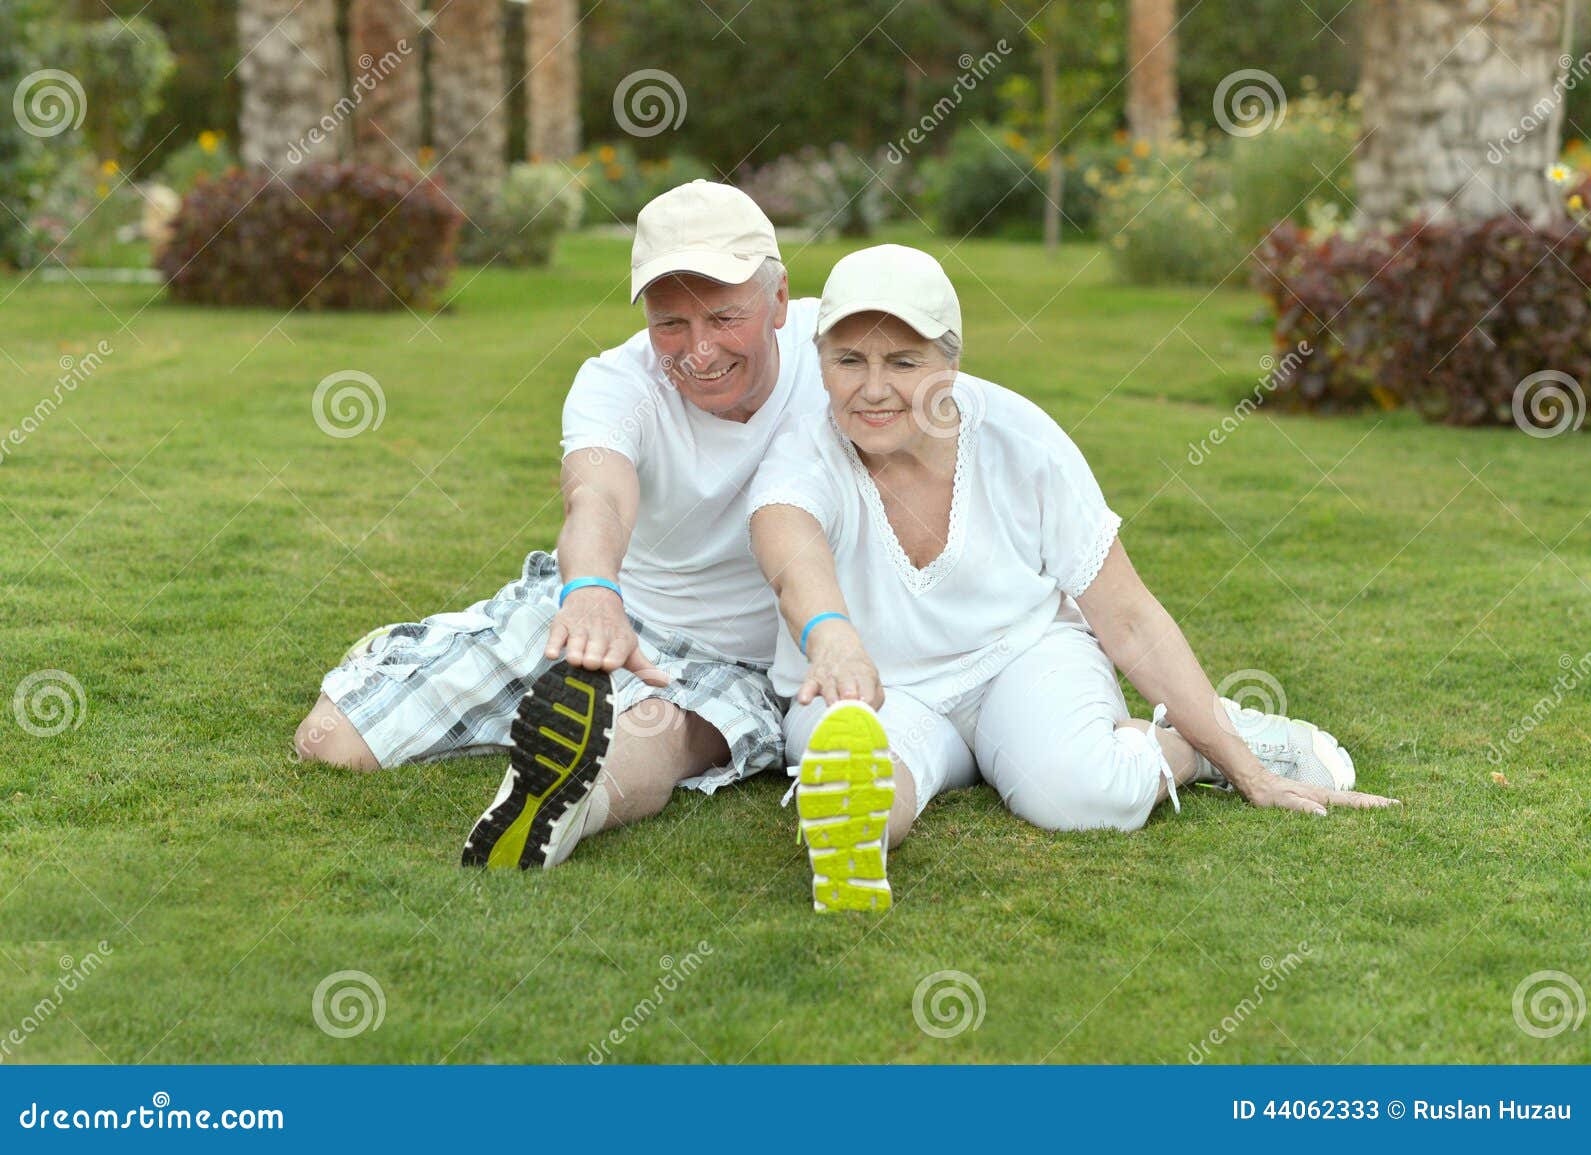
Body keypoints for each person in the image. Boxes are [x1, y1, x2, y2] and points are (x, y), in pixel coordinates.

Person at [747, 244, 1400, 914]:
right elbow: (789, 548)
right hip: (872, 681)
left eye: (903, 362)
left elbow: (1128, 616)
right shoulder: (804, 451)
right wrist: (830, 637)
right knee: (859, 790)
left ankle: (1194, 747)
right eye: (848, 360)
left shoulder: (1021, 440)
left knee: (1083, 794)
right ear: (820, 360)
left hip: (1020, 662)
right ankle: (857, 844)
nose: (873, 387)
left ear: (950, 362)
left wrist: (1249, 772)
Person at [295, 181, 825, 870]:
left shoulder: (837, 357)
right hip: (591, 606)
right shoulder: (616, 382)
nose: (698, 351)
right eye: (670, 323)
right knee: (329, 744)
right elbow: (596, 495)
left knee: (650, 737)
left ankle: (557, 806)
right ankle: (411, 654)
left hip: (739, 661)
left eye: (724, 317)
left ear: (779, 300)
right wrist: (595, 588)